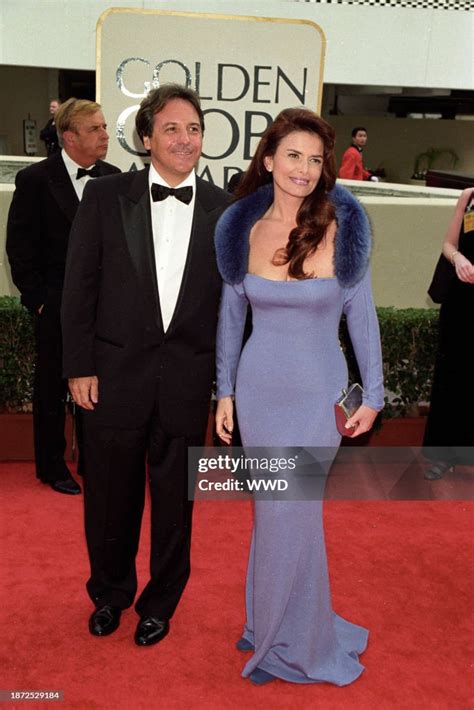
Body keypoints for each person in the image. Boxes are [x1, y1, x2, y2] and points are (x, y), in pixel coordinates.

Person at [214, 108, 384, 685]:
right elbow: (230, 317)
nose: (304, 169)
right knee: (276, 513)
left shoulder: (344, 225)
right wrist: (225, 390)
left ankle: (286, 647)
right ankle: (274, 626)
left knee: (292, 512)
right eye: (293, 156)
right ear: (268, 160)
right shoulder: (242, 226)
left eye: (315, 160)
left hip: (317, 397)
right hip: (261, 394)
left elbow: (363, 319)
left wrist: (375, 395)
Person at [61, 84, 230, 645]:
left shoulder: (223, 211)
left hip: (184, 381)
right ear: (147, 138)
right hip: (111, 378)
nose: (186, 140)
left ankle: (161, 601)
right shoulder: (106, 197)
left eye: (195, 129)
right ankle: (110, 593)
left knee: (176, 506)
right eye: (173, 129)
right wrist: (78, 365)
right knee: (110, 498)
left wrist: (227, 383)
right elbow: (79, 288)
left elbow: (235, 307)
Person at [6, 98, 119, 495]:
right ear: (70, 137)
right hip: (54, 304)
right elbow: (19, 247)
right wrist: (37, 299)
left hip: (102, 308)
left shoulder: (114, 177)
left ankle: (93, 461)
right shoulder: (36, 180)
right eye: (96, 129)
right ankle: (52, 467)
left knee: (99, 385)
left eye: (105, 127)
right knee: (52, 385)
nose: (106, 135)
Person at [423, 186, 474, 480]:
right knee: (452, 376)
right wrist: (458, 259)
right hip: (461, 303)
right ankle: (445, 456)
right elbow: (448, 244)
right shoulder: (468, 196)